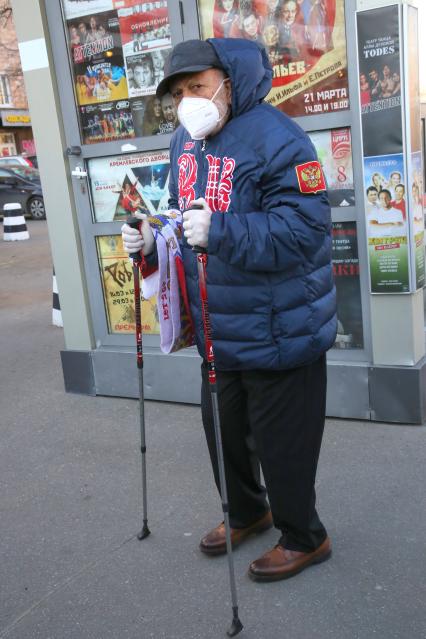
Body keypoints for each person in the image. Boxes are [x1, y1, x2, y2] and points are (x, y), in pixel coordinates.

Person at [121, 38, 336, 582]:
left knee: (282, 442)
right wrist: (153, 239)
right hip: (220, 324)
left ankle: (305, 536)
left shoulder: (279, 138)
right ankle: (247, 512)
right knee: (222, 430)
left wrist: (222, 231)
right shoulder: (183, 142)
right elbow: (180, 213)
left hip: (280, 324)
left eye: (197, 86)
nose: (186, 101)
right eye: (177, 93)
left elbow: (306, 231)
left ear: (229, 80)